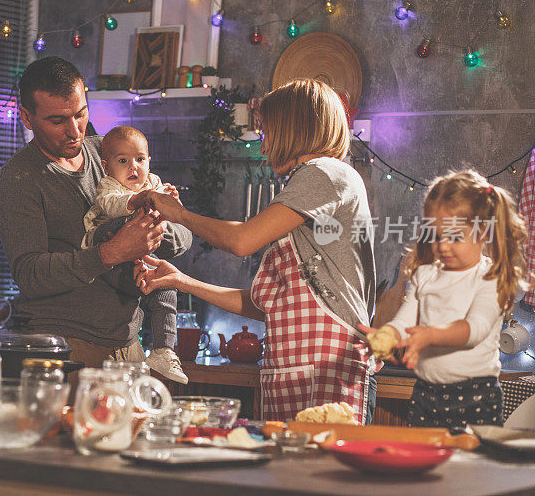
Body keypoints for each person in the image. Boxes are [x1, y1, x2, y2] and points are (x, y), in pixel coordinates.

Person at [136, 78, 376, 424]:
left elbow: (242, 241)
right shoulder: (313, 185)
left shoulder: (322, 173)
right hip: (300, 372)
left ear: (291, 129)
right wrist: (181, 280)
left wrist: (181, 215)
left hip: (328, 371)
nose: (264, 147)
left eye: (267, 132)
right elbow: (269, 306)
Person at [0, 56, 192, 377]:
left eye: (80, 114)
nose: (74, 131)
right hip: (62, 346)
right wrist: (111, 253)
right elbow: (29, 273)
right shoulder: (19, 179)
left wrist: (157, 223)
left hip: (128, 345)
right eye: (57, 121)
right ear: (27, 118)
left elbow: (182, 241)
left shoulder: (113, 152)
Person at [360, 170, 527, 428]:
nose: (443, 245)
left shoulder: (490, 278)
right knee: (427, 462)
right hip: (426, 393)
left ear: (483, 232)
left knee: (471, 467)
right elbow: (405, 318)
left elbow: (474, 329)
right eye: (436, 235)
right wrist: (387, 335)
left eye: (455, 237)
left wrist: (428, 335)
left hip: (476, 396)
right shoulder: (425, 274)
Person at [81, 125, 187, 384]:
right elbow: (112, 205)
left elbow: (180, 228)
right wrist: (140, 200)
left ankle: (164, 350)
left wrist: (172, 202)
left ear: (149, 162)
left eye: (140, 160)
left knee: (167, 287)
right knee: (122, 225)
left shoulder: (154, 184)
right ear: (107, 167)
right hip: (109, 253)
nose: (133, 167)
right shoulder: (108, 185)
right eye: (123, 161)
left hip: (142, 258)